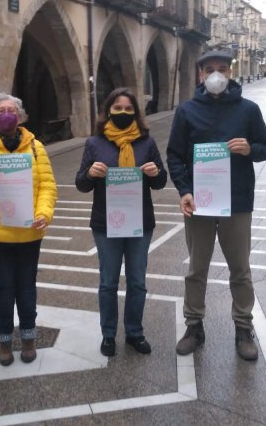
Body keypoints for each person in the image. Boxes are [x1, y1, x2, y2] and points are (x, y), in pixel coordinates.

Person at [166, 49, 266, 361]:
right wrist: (184, 190)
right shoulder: (187, 111)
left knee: (240, 269)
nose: (216, 75)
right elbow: (175, 155)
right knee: (196, 268)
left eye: (222, 69)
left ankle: (243, 328)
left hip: (237, 202)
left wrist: (249, 149)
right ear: (201, 74)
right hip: (199, 203)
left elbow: (265, 147)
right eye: (210, 69)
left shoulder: (248, 110)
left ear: (230, 72)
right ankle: (194, 326)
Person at [0, 93, 57, 366]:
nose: (6, 115)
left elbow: (48, 186)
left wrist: (43, 213)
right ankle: (4, 339)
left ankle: (28, 337)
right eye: (1, 111)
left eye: (11, 110)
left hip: (28, 232)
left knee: (26, 286)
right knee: (3, 288)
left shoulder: (36, 147)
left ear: (20, 116)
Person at [75, 88, 167, 357]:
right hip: (106, 223)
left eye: (128, 109)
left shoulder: (146, 143)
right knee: (108, 282)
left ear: (136, 112)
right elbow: (81, 184)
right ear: (108, 111)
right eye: (117, 108)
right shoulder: (95, 143)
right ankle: (108, 334)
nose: (123, 113)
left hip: (140, 222)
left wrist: (155, 172)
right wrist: (90, 174)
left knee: (137, 281)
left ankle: (134, 332)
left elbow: (161, 182)